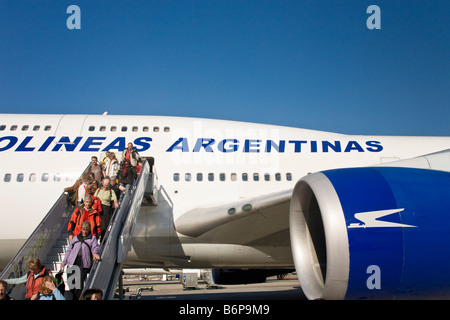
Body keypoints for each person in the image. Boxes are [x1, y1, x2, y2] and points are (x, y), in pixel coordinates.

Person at [61, 221, 100, 300]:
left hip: (83, 263)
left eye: (86, 230)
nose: (85, 231)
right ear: (81, 229)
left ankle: (78, 298)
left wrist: (95, 253)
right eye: (83, 229)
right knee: (71, 283)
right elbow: (69, 250)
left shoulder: (92, 239)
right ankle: (75, 296)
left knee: (79, 285)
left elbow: (95, 247)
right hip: (72, 262)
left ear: (89, 230)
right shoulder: (76, 238)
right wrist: (64, 262)